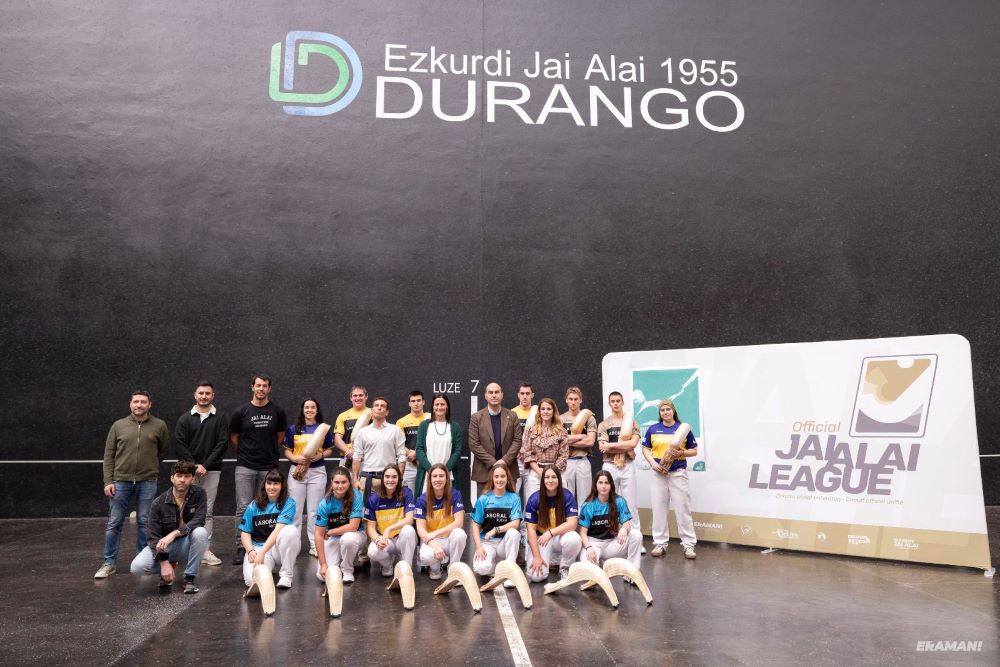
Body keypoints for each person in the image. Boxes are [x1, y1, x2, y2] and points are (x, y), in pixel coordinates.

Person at [95, 390, 170, 579]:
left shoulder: (159, 425)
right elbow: (108, 456)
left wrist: (150, 467)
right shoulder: (118, 426)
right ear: (130, 404)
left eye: (143, 402)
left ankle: (142, 562)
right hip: (120, 481)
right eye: (136, 401)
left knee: (145, 522)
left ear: (149, 404)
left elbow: (162, 451)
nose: (139, 405)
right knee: (114, 523)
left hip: (147, 481)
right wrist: (108, 481)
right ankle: (109, 563)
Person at [230, 374, 288, 565]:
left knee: (265, 506)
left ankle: (264, 544)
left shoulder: (278, 412)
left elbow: (280, 436)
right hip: (245, 466)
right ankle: (241, 546)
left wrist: (267, 451)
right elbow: (234, 437)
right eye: (258, 385)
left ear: (269, 389)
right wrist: (246, 453)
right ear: (252, 387)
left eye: (264, 386)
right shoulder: (241, 411)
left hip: (268, 467)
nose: (261, 389)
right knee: (243, 507)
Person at [172, 381, 229, 567]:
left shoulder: (220, 418)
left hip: (211, 471)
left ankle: (204, 550)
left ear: (213, 396)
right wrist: (194, 466)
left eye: (207, 393)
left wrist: (205, 465)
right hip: (188, 472)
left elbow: (222, 444)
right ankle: (181, 549)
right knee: (184, 509)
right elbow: (180, 443)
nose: (204, 396)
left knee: (207, 511)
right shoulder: (184, 419)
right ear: (195, 395)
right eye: (201, 393)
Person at [129, 461, 208, 594]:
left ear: (193, 479)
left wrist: (175, 533)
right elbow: (153, 537)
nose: (182, 480)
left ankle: (189, 578)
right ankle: (168, 568)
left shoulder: (199, 494)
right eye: (179, 476)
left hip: (186, 544)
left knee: (201, 532)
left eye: (187, 476)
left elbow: (199, 520)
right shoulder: (158, 503)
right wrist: (163, 561)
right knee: (137, 567)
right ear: (172, 478)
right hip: (164, 547)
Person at [642, 398, 698, 559]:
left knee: (683, 509)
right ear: (659, 413)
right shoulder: (653, 429)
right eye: (662, 410)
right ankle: (660, 543)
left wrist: (681, 453)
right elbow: (645, 449)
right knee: (659, 509)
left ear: (673, 411)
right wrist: (653, 463)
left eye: (668, 409)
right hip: (658, 474)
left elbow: (694, 450)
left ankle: (688, 545)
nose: (665, 412)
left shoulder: (682, 429)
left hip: (678, 473)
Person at [283, 398, 334, 558]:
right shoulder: (293, 429)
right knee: (296, 510)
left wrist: (320, 456)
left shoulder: (323, 428)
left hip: (317, 472)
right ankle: (294, 545)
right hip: (297, 471)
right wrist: (295, 459)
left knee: (314, 510)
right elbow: (287, 450)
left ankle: (314, 545)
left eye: (313, 407)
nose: (309, 410)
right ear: (303, 410)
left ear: (317, 410)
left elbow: (329, 450)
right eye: (307, 407)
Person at [239, 468, 300, 589]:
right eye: (269, 483)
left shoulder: (289, 503)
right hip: (259, 548)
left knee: (291, 530)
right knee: (252, 581)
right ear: (264, 485)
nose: (272, 487)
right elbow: (245, 532)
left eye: (276, 483)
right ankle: (268, 569)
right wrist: (251, 551)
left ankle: (286, 575)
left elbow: (278, 531)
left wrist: (262, 552)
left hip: (278, 549)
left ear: (282, 486)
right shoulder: (253, 506)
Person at [524, 465, 581, 582]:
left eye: (554, 477)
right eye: (547, 477)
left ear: (559, 479)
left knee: (574, 538)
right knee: (536, 577)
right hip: (541, 539)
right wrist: (536, 556)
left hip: (558, 536)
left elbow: (573, 524)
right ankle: (542, 558)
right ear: (542, 480)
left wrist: (550, 533)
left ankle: (565, 568)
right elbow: (530, 530)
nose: (550, 480)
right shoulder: (534, 499)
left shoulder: (567, 496)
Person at [597, 391, 642, 533]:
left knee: (630, 503)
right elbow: (603, 448)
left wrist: (611, 445)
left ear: (622, 402)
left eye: (618, 401)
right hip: (609, 466)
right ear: (609, 403)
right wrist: (626, 447)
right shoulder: (604, 424)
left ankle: (635, 536)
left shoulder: (632, 422)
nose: (616, 403)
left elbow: (633, 444)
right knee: (609, 500)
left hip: (627, 465)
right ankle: (611, 533)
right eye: (613, 401)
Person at [578, 471, 642, 569]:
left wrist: (624, 529)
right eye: (600, 483)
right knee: (589, 570)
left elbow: (627, 524)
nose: (603, 486)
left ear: (611, 485)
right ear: (595, 485)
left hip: (612, 543)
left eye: (606, 483)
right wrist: (589, 548)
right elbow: (582, 532)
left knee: (636, 535)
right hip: (593, 544)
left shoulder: (619, 501)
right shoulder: (588, 505)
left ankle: (632, 571)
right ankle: (597, 561)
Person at [468, 382, 522, 496]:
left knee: (509, 506)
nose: (494, 395)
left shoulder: (512, 416)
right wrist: (494, 463)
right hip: (484, 472)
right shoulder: (476, 417)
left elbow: (517, 441)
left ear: (502, 395)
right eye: (490, 392)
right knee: (485, 506)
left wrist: (504, 461)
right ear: (485, 396)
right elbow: (474, 444)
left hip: (508, 470)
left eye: (496, 392)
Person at [414, 463, 467, 580]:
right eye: (435, 476)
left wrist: (435, 533)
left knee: (460, 534)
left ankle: (454, 570)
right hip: (432, 540)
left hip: (449, 538)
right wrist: (433, 544)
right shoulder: (422, 500)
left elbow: (459, 523)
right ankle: (435, 570)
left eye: (441, 476)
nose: (438, 479)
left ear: (447, 478)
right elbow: (420, 529)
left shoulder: (455, 494)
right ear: (430, 479)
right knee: (426, 555)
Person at [314, 467, 366, 584]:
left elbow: (352, 527)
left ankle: (347, 570)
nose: (340, 486)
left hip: (356, 534)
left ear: (349, 482)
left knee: (348, 539)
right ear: (331, 482)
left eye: (344, 482)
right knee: (322, 576)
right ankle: (337, 564)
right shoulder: (324, 504)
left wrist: (330, 532)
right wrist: (323, 564)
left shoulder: (356, 496)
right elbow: (318, 535)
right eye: (337, 482)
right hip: (334, 538)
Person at [470, 462, 522, 578]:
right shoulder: (483, 499)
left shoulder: (514, 498)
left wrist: (496, 530)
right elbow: (475, 525)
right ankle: (496, 565)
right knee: (481, 568)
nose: (499, 480)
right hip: (487, 543)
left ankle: (509, 572)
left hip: (504, 544)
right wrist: (479, 547)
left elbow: (516, 523)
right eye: (496, 476)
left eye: (502, 476)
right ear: (492, 479)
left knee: (513, 533)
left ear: (507, 478)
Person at [365, 464, 417, 577]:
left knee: (409, 530)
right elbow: (370, 527)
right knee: (372, 552)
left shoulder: (407, 493)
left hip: (401, 539)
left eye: (394, 477)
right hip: (386, 540)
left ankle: (406, 570)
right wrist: (377, 540)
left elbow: (410, 519)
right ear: (382, 478)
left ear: (399, 479)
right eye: (387, 476)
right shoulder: (374, 499)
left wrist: (389, 528)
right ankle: (388, 565)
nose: (390, 480)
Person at [352, 397, 407, 500]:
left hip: (388, 479)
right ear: (372, 410)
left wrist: (399, 478)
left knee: (388, 509)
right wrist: (355, 479)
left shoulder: (395, 430)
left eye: (383, 406)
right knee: (365, 510)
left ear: (387, 412)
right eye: (376, 405)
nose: (379, 408)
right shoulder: (363, 432)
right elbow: (357, 457)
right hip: (366, 479)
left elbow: (401, 456)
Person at [413, 394, 463, 497]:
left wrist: (444, 471)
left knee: (448, 503)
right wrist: (431, 470)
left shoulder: (455, 427)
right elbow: (419, 449)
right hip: (427, 473)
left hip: (448, 473)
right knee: (425, 503)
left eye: (442, 404)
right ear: (432, 407)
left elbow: (457, 450)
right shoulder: (424, 425)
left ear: (447, 407)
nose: (439, 407)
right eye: (436, 404)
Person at [520, 398, 569, 502]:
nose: (545, 411)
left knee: (560, 503)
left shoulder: (562, 431)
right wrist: (539, 471)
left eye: (549, 409)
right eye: (543, 409)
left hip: (556, 473)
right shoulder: (531, 430)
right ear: (539, 411)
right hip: (536, 472)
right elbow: (528, 454)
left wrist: (551, 473)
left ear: (553, 411)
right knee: (533, 503)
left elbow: (563, 455)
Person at [561, 386, 598, 506]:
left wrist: (568, 441)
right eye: (570, 399)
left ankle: (584, 519)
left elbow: (590, 442)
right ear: (566, 400)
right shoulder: (561, 419)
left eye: (576, 399)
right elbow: (559, 441)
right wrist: (581, 436)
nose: (573, 402)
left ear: (580, 400)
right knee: (567, 496)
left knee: (585, 497)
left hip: (583, 460)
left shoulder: (589, 418)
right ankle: (569, 519)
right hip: (566, 461)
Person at [395, 390, 429, 494]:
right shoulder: (401, 422)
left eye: (418, 400)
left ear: (423, 402)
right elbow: (399, 443)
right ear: (409, 403)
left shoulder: (431, 418)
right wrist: (411, 454)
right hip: (409, 465)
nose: (416, 403)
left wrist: (418, 454)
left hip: (428, 463)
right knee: (410, 495)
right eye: (413, 401)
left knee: (427, 495)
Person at [333, 385, 369, 464]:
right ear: (351, 398)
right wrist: (348, 451)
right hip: (347, 457)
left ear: (366, 397)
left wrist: (356, 451)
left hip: (367, 459)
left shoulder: (372, 414)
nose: (358, 398)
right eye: (355, 396)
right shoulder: (343, 416)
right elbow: (337, 439)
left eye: (361, 395)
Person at [512, 383, 535, 491]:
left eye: (527, 393)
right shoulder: (512, 413)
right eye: (522, 393)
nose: (525, 396)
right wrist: (518, 449)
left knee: (532, 496)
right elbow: (508, 437)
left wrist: (528, 450)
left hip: (532, 461)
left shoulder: (538, 414)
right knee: (514, 494)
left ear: (532, 395)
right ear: (518, 395)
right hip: (516, 460)